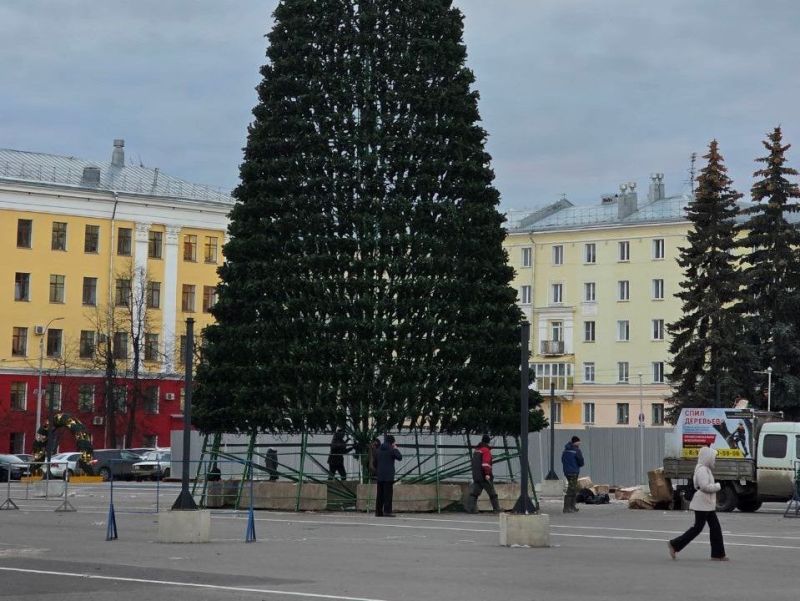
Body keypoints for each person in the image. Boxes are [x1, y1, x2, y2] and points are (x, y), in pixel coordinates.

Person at [668, 446, 728, 561]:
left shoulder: (706, 469)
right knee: (698, 528)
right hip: (702, 504)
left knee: (715, 528)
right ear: (707, 458)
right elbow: (704, 487)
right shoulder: (702, 470)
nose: (714, 460)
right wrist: (718, 486)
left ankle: (718, 554)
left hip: (706, 504)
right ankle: (674, 544)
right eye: (713, 458)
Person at [465, 434, 500, 513]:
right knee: (492, 494)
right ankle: (497, 509)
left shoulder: (477, 450)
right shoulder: (486, 450)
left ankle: (471, 509)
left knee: (474, 494)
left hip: (476, 476)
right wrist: (487, 474)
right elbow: (486, 463)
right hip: (484, 476)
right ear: (488, 442)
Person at [375, 434, 402, 517]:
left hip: (380, 474)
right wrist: (396, 448)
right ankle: (387, 511)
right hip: (388, 475)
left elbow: (375, 462)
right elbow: (399, 457)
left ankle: (378, 512)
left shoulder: (378, 450)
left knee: (379, 494)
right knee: (388, 494)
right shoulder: (391, 449)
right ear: (392, 442)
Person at [561, 436, 584, 513]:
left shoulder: (565, 450)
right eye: (579, 442)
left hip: (567, 472)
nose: (580, 443)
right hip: (574, 471)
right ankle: (568, 507)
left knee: (573, 488)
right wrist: (578, 465)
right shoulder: (576, 450)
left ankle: (571, 507)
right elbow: (580, 461)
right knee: (571, 489)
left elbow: (562, 460)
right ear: (576, 442)